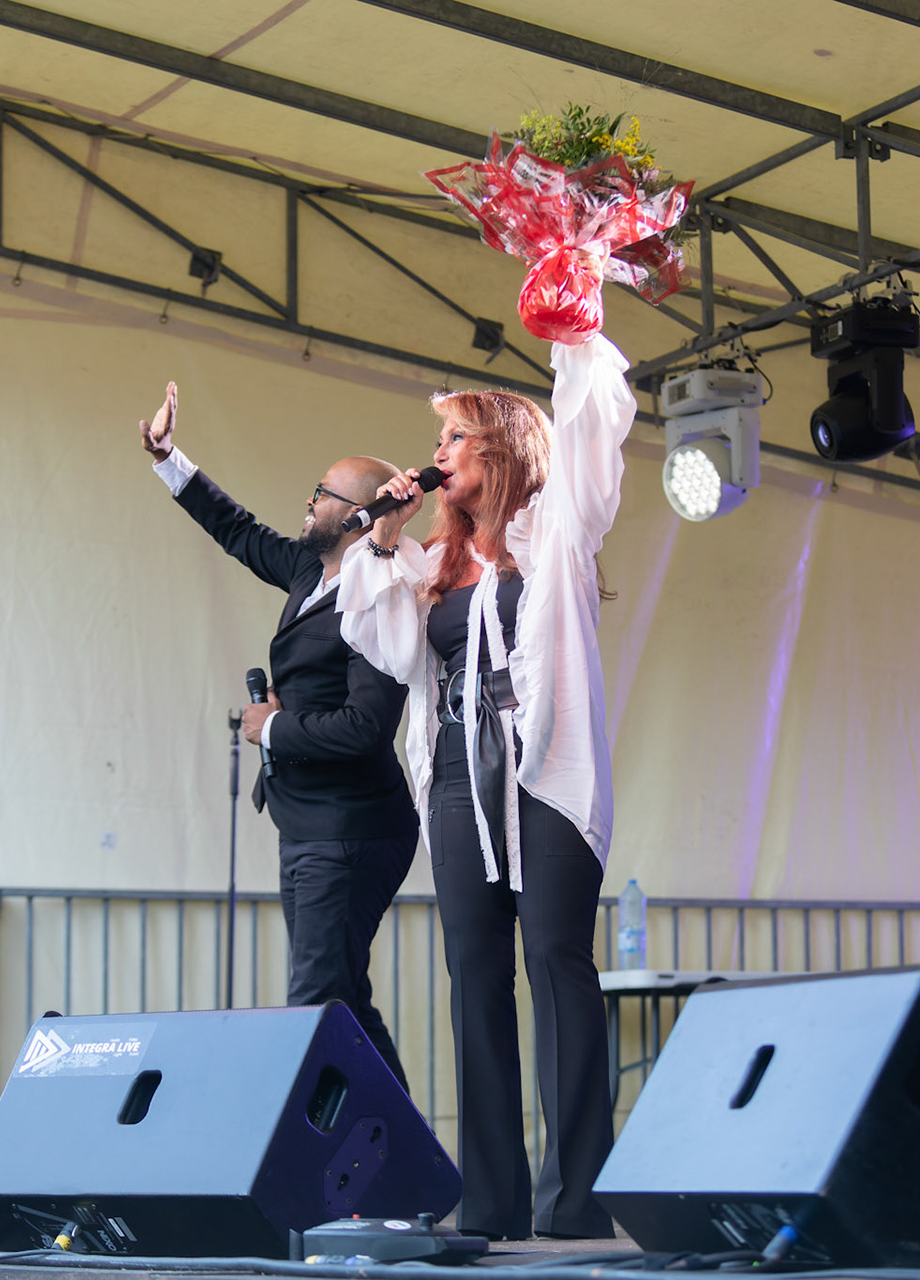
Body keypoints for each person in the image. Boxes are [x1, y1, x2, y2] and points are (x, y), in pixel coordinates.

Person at [332, 336, 631, 1239]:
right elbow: (377, 640)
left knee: (554, 958)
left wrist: (576, 330)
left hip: (545, 769)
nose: (441, 454)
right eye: (443, 440)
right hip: (460, 777)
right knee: (474, 975)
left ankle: (575, 1199)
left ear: (501, 448)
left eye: (458, 438)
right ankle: (491, 1199)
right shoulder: (433, 569)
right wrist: (382, 534)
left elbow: (588, 435)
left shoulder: (557, 534)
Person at [138, 381, 419, 1090]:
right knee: (341, 1000)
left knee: (317, 1005)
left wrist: (277, 729)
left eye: (322, 493)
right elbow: (236, 530)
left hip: (353, 828)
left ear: (358, 516)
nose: (309, 500)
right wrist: (170, 457)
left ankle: (342, 1173)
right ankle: (408, 1163)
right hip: (308, 824)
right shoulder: (306, 569)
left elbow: (366, 728)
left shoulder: (382, 593)